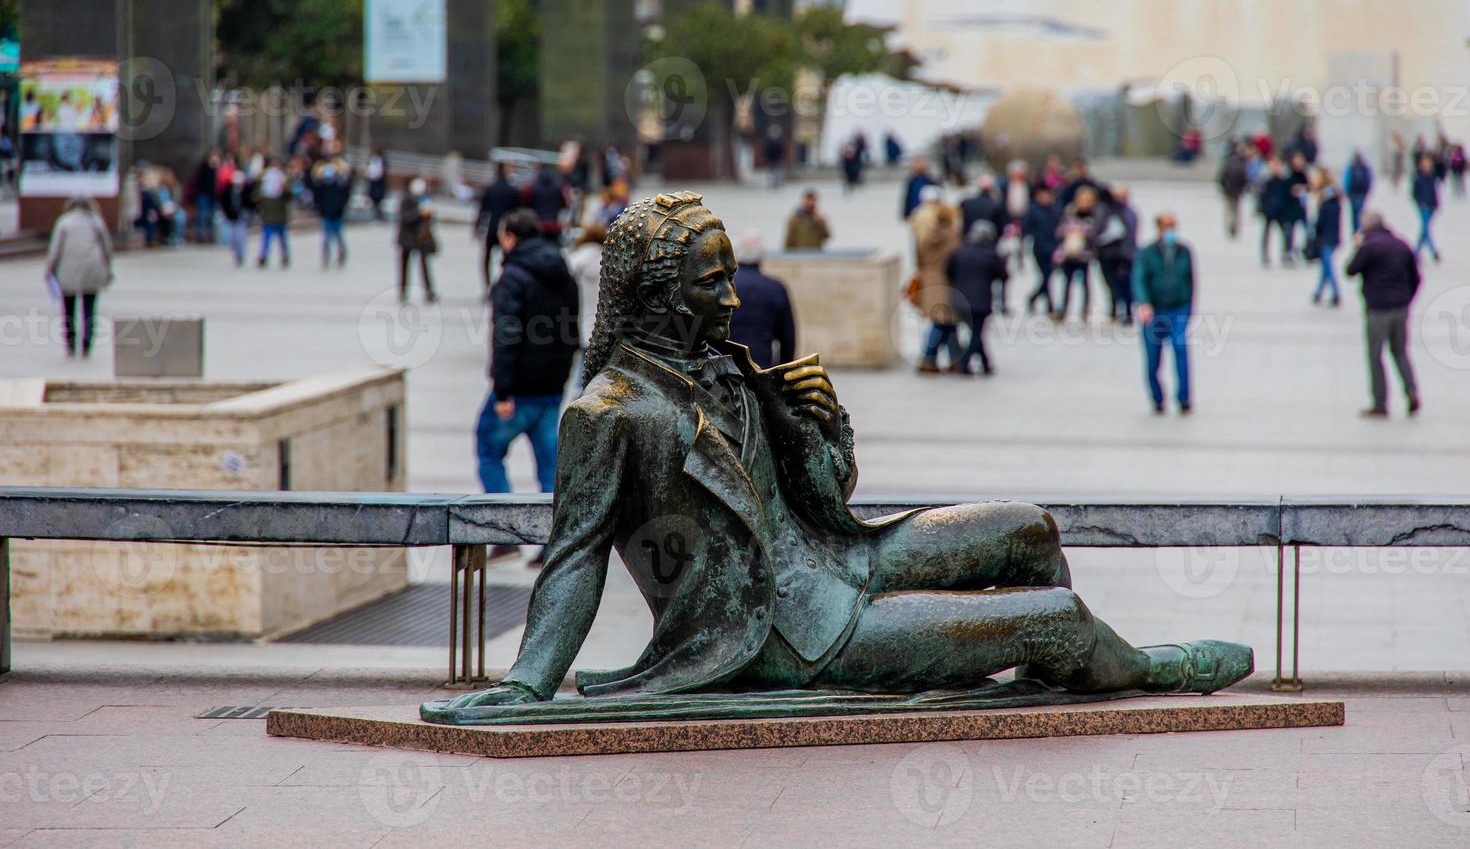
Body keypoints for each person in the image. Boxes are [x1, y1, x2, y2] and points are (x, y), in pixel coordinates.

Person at [435, 192, 1252, 717]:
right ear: (653, 295)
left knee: (1030, 530)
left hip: (842, 561)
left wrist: (823, 430)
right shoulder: (607, 414)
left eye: (728, 279)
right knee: (1054, 615)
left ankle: (1045, 676)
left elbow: (824, 497)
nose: (730, 299)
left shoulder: (727, 368)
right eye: (709, 284)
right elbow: (574, 558)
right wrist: (527, 683)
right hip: (785, 635)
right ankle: (1140, 669)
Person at [477, 208, 580, 497]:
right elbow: (571, 333)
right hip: (551, 390)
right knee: (550, 469)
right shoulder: (564, 275)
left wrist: (502, 391)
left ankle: (503, 531)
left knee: (488, 450)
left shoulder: (512, 278)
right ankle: (551, 538)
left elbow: (506, 336)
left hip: (518, 391)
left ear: (510, 238)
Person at [1345, 211, 1421, 417]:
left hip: (1378, 308)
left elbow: (1350, 270)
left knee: (1375, 355)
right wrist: (1406, 298)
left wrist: (1358, 247)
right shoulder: (1401, 244)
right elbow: (1416, 277)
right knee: (1400, 351)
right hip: (1401, 307)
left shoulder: (1369, 246)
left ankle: (1380, 402)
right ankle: (1411, 390)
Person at [1133, 213, 1194, 415]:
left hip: (1178, 308)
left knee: (1180, 348)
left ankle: (1184, 398)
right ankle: (1157, 397)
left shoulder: (1184, 251)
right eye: (1167, 226)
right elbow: (1139, 278)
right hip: (1155, 310)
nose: (1170, 231)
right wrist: (1144, 303)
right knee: (1152, 358)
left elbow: (1191, 280)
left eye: (1173, 226)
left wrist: (1189, 306)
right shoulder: (1147, 252)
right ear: (1158, 228)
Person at [45, 195, 113, 359]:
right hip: (92, 268)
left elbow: (55, 250)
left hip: (68, 270)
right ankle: (87, 344)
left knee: (68, 308)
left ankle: (70, 343)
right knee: (89, 307)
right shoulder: (96, 221)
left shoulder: (64, 222)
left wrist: (49, 269)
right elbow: (107, 247)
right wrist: (108, 269)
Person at [945, 220, 1008, 376]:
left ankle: (986, 364)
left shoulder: (960, 252)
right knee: (976, 334)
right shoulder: (991, 255)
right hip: (980, 303)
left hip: (959, 301)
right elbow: (1003, 275)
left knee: (976, 333)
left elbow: (948, 272)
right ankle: (964, 364)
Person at [729, 234, 797, 369]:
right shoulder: (776, 288)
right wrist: (781, 372)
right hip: (761, 365)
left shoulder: (727, 285)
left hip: (726, 366)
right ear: (761, 256)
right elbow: (788, 338)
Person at [913, 195, 962, 373]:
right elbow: (957, 259)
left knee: (946, 321)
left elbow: (917, 256)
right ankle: (928, 357)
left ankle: (955, 357)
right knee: (942, 321)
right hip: (946, 282)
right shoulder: (954, 236)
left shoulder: (926, 234)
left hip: (929, 279)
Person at [1054, 186, 1101, 321]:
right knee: (1067, 282)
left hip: (1084, 255)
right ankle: (1063, 309)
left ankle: (1085, 310)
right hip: (1069, 253)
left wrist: (1086, 232)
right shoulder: (1069, 214)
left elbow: (1096, 235)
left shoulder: (1094, 216)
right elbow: (1059, 232)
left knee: (1085, 284)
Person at [567, 223, 606, 387]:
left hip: (578, 320)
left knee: (582, 367)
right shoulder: (610, 260)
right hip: (602, 325)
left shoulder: (574, 261)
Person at [1095, 185, 1138, 324]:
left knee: (1124, 285)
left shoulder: (1129, 213)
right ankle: (1115, 311)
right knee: (1112, 284)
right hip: (1107, 254)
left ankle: (1126, 313)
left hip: (1123, 255)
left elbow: (1131, 235)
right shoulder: (1107, 210)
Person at [476, 162, 524, 285]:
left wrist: (477, 227)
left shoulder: (490, 189)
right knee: (508, 257)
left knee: (487, 257)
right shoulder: (512, 190)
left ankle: (487, 284)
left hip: (492, 226)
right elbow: (518, 211)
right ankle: (504, 282)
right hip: (507, 228)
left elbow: (482, 210)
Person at [310, 144, 353, 268]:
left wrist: (340, 208)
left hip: (336, 212)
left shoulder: (340, 181)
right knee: (327, 235)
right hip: (327, 211)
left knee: (338, 234)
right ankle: (326, 255)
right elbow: (316, 193)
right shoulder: (321, 180)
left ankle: (340, 252)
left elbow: (346, 193)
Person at [396, 178, 438, 303]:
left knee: (425, 265)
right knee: (404, 266)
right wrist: (418, 212)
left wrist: (429, 215)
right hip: (407, 238)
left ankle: (429, 291)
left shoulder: (425, 199)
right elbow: (404, 218)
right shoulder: (406, 200)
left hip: (421, 238)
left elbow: (430, 221)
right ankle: (403, 291)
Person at [1022, 185, 1061, 314]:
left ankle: (1036, 298)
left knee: (1048, 276)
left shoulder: (1055, 209)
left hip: (1053, 248)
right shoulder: (1033, 211)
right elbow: (1026, 228)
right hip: (1039, 248)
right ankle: (1049, 303)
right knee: (1046, 275)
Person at [1309, 170, 1344, 307]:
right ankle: (1318, 293)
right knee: (1325, 267)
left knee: (1328, 267)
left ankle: (1336, 294)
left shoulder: (1328, 199)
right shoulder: (1333, 197)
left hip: (1327, 238)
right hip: (1331, 237)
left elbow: (1322, 221)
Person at [1259, 156, 1296, 266]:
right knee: (1266, 234)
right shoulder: (1267, 181)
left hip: (1282, 212)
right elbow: (1262, 197)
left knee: (1286, 233)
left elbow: (1289, 197)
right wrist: (1264, 208)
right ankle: (1265, 254)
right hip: (1270, 211)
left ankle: (1286, 253)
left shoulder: (1284, 182)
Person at [256, 157, 290, 268]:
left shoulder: (284, 180)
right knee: (266, 238)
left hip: (280, 215)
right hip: (268, 215)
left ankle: (285, 256)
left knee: (282, 238)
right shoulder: (264, 180)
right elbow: (257, 196)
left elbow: (289, 196)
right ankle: (263, 256)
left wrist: (284, 190)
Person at [219, 170, 255, 267]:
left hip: (241, 217)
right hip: (230, 217)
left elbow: (250, 204)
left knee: (241, 238)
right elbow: (224, 202)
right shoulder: (228, 190)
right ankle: (236, 254)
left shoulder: (246, 190)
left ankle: (240, 255)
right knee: (231, 238)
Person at [1411, 154, 1442, 263]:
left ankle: (1416, 252)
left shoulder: (1431, 176)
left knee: (1425, 229)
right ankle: (1432, 251)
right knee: (1425, 228)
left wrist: (1437, 203)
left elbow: (1434, 191)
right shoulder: (1418, 176)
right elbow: (1414, 192)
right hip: (1424, 205)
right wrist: (1420, 202)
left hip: (1431, 205)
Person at [528, 163, 570, 239]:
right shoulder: (558, 186)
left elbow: (527, 204)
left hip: (537, 225)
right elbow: (565, 204)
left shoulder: (532, 187)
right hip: (553, 225)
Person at [1217, 143, 1248, 238]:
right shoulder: (1240, 166)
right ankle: (1235, 227)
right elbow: (1244, 180)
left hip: (1229, 192)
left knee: (1229, 210)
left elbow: (1221, 178)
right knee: (1236, 211)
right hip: (1237, 192)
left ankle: (1230, 226)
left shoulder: (1227, 165)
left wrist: (1224, 188)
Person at [1343, 151, 1373, 233]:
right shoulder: (1364, 167)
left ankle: (1355, 230)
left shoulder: (1351, 167)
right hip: (1361, 193)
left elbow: (1346, 180)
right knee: (1360, 212)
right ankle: (1360, 229)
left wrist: (1346, 192)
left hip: (1353, 194)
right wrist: (1368, 191)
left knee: (1354, 214)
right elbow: (1369, 180)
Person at [366, 147, 389, 221]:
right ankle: (377, 213)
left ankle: (378, 214)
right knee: (374, 197)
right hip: (373, 181)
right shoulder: (373, 160)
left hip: (379, 182)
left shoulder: (381, 160)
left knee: (378, 198)